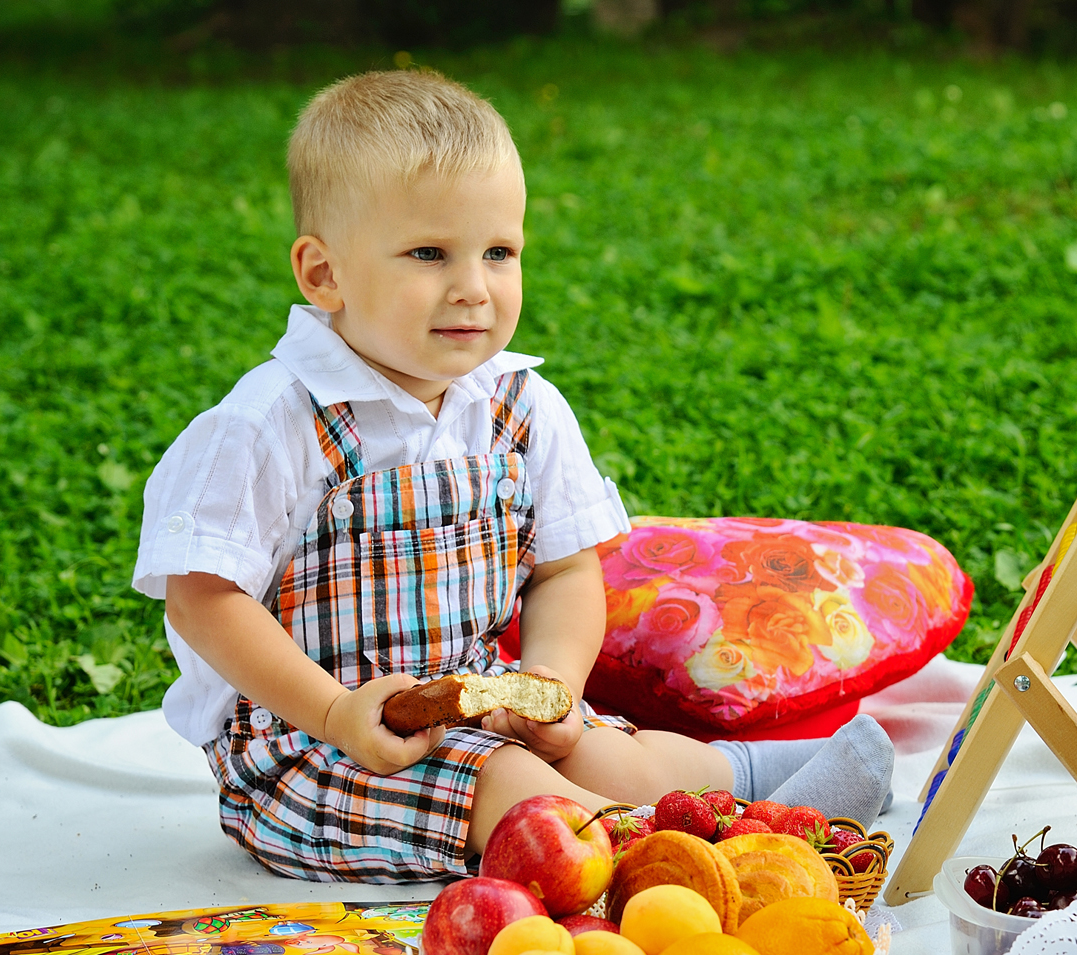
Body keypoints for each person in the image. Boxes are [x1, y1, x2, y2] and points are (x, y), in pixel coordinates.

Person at [133, 69, 893, 883]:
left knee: (609, 759)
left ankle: (746, 785)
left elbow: (564, 568)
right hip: (313, 748)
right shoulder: (274, 422)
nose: (473, 287)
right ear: (323, 274)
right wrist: (334, 711)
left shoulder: (518, 404)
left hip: (480, 701)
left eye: (499, 252)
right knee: (519, 785)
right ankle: (696, 865)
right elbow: (203, 598)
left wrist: (554, 686)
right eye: (428, 253)